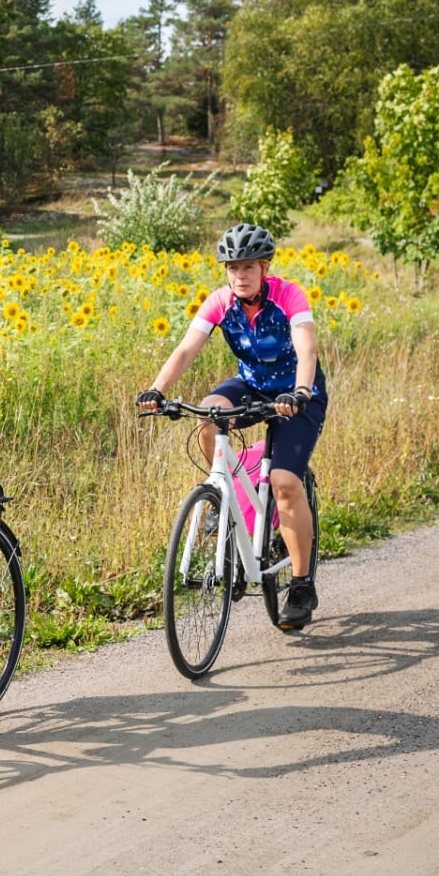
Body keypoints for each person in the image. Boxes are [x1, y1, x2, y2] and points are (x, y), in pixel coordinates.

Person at [137, 222, 327, 630]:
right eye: (231, 268)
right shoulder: (221, 302)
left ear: (264, 268)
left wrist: (300, 390)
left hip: (297, 394)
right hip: (253, 385)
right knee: (208, 412)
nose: (239, 276)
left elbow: (306, 346)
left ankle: (300, 583)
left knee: (285, 483)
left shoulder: (288, 295)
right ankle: (225, 495)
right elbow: (186, 348)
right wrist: (156, 388)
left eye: (247, 268)